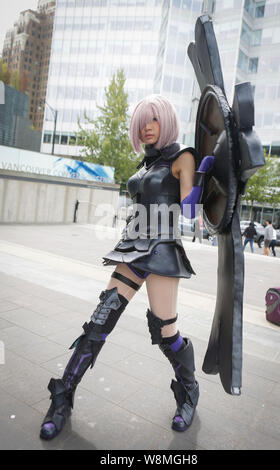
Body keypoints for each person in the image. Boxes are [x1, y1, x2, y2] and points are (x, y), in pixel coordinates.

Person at [39, 95, 215, 440]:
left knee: (166, 332)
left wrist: (203, 175)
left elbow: (191, 212)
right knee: (100, 319)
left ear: (166, 122)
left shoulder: (182, 157)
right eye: (141, 122)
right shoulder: (146, 165)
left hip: (163, 249)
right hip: (132, 246)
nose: (147, 127)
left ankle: (189, 390)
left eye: (154, 120)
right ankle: (62, 397)